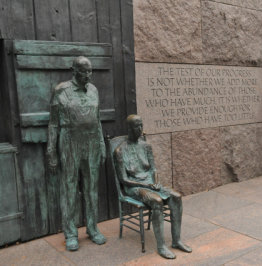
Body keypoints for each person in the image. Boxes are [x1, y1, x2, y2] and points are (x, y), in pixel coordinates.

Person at [47, 56, 106, 251]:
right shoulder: (61, 90)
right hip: (69, 142)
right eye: (84, 71)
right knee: (70, 188)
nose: (88, 75)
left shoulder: (94, 90)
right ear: (74, 71)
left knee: (91, 188)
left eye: (90, 71)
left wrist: (102, 145)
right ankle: (71, 233)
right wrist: (51, 152)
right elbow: (53, 124)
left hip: (91, 144)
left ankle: (92, 228)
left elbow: (97, 121)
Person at [114, 115, 192, 259]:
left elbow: (153, 169)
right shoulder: (120, 151)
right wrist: (145, 184)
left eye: (141, 125)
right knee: (156, 201)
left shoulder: (146, 146)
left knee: (176, 197)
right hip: (134, 187)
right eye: (137, 126)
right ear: (130, 128)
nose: (141, 129)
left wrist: (156, 182)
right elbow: (124, 180)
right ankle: (161, 246)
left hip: (151, 183)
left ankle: (176, 241)